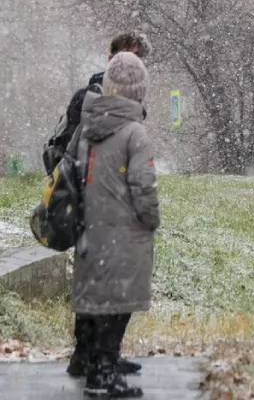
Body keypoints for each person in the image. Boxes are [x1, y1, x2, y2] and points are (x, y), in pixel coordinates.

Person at [68, 51, 161, 398]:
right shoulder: (135, 133)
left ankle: (94, 363)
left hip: (90, 230)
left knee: (95, 299)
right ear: (139, 92)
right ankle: (104, 373)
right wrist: (151, 218)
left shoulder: (88, 126)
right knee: (118, 304)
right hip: (125, 233)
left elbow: (71, 172)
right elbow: (143, 184)